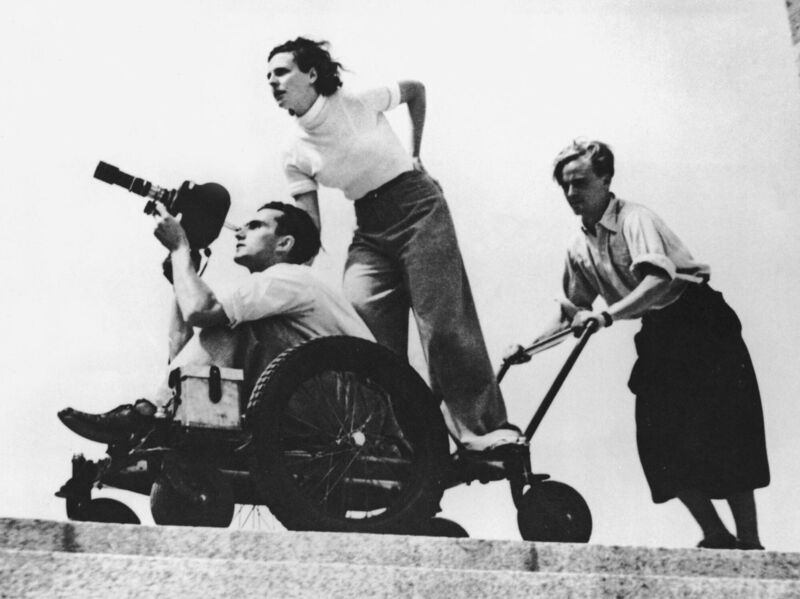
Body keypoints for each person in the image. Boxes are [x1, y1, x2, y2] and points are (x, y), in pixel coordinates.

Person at [507, 139, 769, 549]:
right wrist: (528, 347)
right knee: (657, 438)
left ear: (606, 179)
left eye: (581, 183)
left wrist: (609, 315)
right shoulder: (579, 247)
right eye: (566, 187)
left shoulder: (635, 219)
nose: (573, 194)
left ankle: (750, 543)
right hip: (660, 332)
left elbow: (658, 279)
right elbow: (572, 310)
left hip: (702, 324)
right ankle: (716, 534)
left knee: (724, 434)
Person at [266, 37, 520, 453]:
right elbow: (310, 227)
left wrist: (416, 153)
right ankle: (395, 444)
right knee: (360, 333)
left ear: (311, 74)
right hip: (369, 228)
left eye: (281, 72)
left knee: (442, 326)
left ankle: (477, 431)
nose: (273, 82)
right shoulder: (292, 150)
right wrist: (286, 265)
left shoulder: (357, 101)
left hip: (418, 207)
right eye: (268, 76)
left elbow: (416, 90)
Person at [59, 201, 373, 443]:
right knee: (221, 340)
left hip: (350, 410)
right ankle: (157, 414)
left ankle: (150, 413)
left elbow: (202, 311)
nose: (239, 232)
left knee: (230, 325)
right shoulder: (281, 289)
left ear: (284, 244)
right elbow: (184, 361)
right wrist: (179, 282)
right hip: (329, 400)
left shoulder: (291, 277)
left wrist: (181, 249)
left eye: (254, 226)